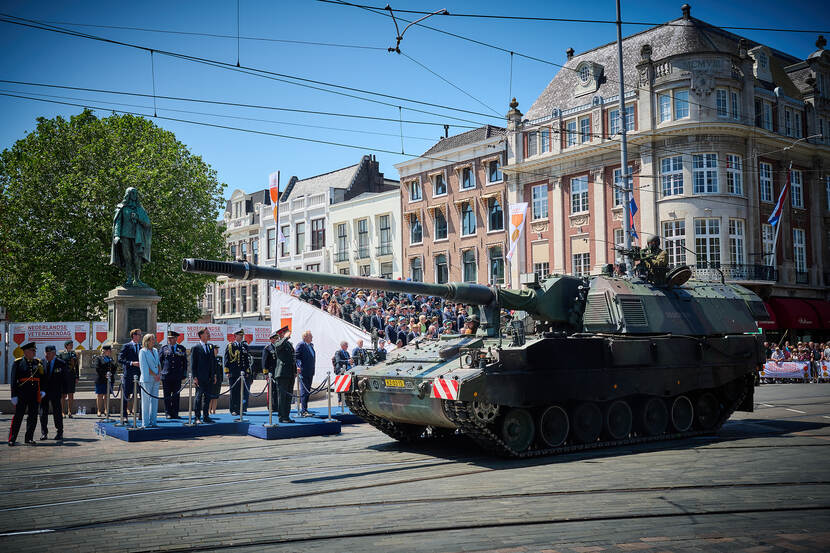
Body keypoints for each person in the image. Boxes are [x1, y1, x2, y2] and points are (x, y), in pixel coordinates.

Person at [8, 342, 45, 446]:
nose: (34, 352)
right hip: (22, 394)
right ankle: (12, 438)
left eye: (34, 350)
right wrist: (13, 395)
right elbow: (13, 380)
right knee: (18, 417)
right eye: (32, 350)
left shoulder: (37, 362)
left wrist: (42, 390)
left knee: (33, 417)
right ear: (26, 352)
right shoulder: (18, 363)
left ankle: (29, 438)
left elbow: (42, 378)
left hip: (34, 394)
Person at [158, 330, 187, 419]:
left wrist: (184, 374)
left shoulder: (181, 348)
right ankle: (168, 413)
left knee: (176, 395)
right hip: (166, 375)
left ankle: (175, 412)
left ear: (176, 339)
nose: (170, 340)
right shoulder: (164, 348)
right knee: (167, 395)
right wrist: (161, 372)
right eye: (169, 338)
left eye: (172, 338)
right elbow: (159, 361)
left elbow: (184, 362)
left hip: (177, 376)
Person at [39, 345, 66, 441]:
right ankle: (44, 433)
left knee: (57, 413)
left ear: (54, 353)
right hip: (44, 393)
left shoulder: (61, 363)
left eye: (49, 353)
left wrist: (64, 392)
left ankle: (59, 432)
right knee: (43, 413)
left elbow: (64, 379)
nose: (47, 355)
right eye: (46, 353)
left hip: (56, 392)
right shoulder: (41, 363)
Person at [272, 326, 296, 423]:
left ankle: (286, 416)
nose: (289, 334)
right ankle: (282, 416)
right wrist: (285, 338)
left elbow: (292, 359)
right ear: (282, 334)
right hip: (282, 374)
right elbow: (278, 346)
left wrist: (294, 371)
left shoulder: (289, 344)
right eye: (286, 332)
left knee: (288, 396)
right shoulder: (278, 342)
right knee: (282, 396)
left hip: (290, 373)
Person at [191, 328, 215, 423]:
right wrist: (194, 377)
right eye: (206, 333)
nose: (208, 335)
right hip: (200, 377)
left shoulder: (210, 346)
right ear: (201, 335)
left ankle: (206, 416)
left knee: (207, 397)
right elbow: (193, 364)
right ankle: (197, 417)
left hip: (209, 377)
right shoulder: (196, 348)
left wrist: (214, 375)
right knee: (198, 397)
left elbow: (212, 362)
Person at [225, 329, 251, 415]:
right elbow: (227, 359)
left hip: (242, 373)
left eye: (242, 335)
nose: (241, 336)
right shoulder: (230, 346)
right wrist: (227, 371)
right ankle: (233, 409)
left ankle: (239, 409)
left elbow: (246, 360)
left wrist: (247, 371)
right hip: (233, 372)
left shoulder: (244, 346)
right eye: (239, 335)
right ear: (235, 336)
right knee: (234, 392)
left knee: (240, 392)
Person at [119, 329, 143, 418]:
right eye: (139, 334)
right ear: (134, 335)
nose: (140, 336)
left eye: (140, 335)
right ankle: (124, 415)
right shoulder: (126, 346)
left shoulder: (142, 347)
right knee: (126, 395)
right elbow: (120, 359)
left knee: (141, 394)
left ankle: (141, 414)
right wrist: (132, 363)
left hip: (140, 374)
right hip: (129, 374)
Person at [139, 333, 161, 428]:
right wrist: (154, 375)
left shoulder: (155, 350)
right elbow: (144, 366)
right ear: (147, 341)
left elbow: (159, 363)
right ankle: (146, 423)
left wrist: (159, 373)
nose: (154, 341)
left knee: (155, 400)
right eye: (152, 339)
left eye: (154, 339)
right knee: (146, 401)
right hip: (147, 379)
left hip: (156, 378)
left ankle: (154, 421)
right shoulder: (143, 351)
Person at [295, 330, 316, 417]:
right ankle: (303, 410)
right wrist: (297, 366)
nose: (312, 338)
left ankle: (305, 409)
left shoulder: (311, 345)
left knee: (307, 391)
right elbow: (296, 357)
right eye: (310, 336)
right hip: (303, 371)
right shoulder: (301, 345)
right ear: (305, 337)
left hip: (310, 371)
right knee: (304, 391)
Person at [92, 344, 117, 417]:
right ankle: (99, 410)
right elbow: (97, 368)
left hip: (109, 380)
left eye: (110, 351)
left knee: (107, 395)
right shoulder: (99, 358)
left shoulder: (111, 359)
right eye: (108, 351)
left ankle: (106, 410)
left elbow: (114, 368)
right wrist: (104, 375)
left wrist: (111, 374)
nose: (110, 352)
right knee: (100, 395)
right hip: (101, 379)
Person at [58, 340, 79, 417]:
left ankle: (70, 411)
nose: (71, 346)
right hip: (63, 377)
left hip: (71, 376)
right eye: (70, 345)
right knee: (63, 395)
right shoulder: (61, 354)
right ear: (66, 346)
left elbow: (76, 366)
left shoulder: (74, 354)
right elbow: (59, 365)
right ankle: (62, 412)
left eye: (72, 345)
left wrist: (77, 376)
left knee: (71, 394)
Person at [261, 331, 280, 412]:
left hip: (278, 372)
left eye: (277, 338)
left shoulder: (278, 347)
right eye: (275, 338)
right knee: (271, 390)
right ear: (271, 339)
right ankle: (271, 406)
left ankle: (277, 406)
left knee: (277, 390)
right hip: (271, 373)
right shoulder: (268, 348)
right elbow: (264, 361)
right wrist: (265, 373)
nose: (277, 340)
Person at [210, 345, 223, 415]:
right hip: (211, 380)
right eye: (216, 349)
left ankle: (214, 411)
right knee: (210, 397)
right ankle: (209, 411)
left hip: (218, 379)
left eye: (217, 349)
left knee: (216, 396)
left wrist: (221, 379)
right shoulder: (209, 358)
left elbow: (221, 369)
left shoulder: (219, 358)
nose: (217, 350)